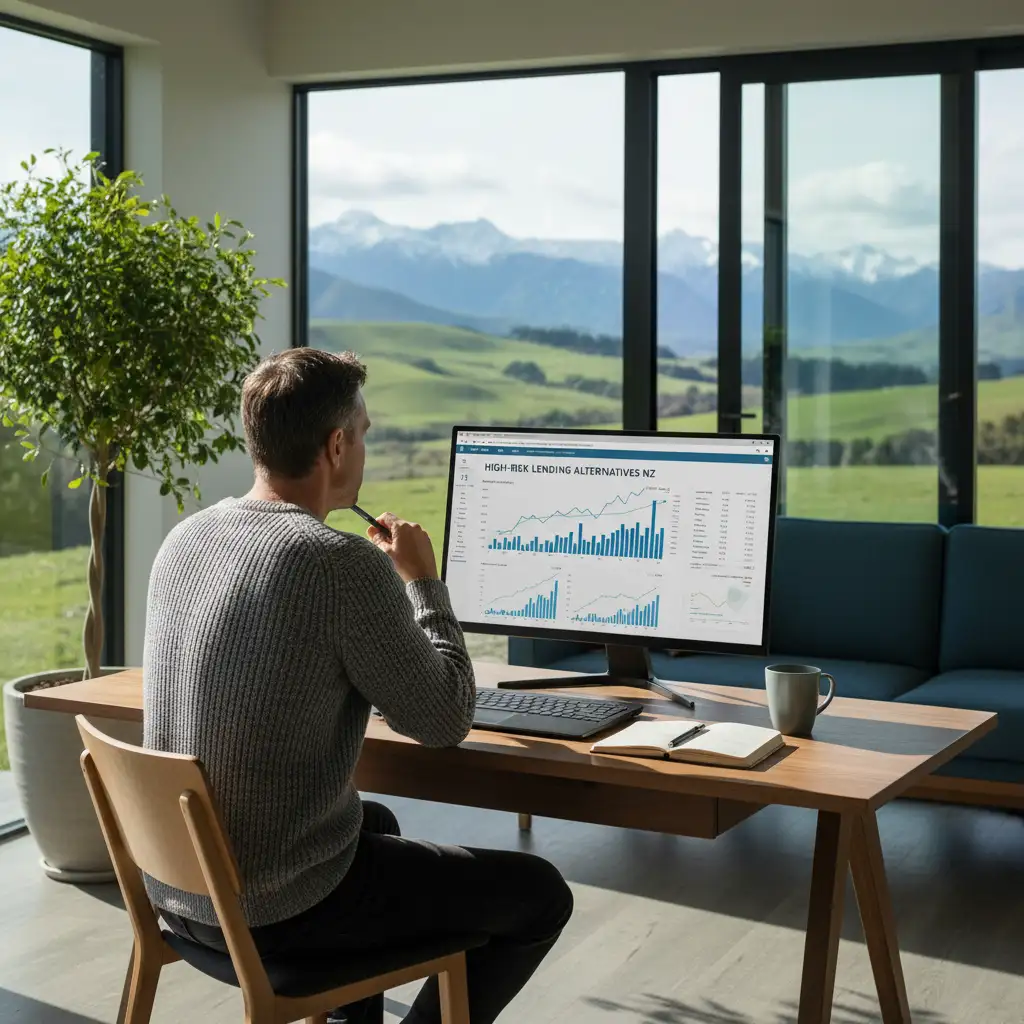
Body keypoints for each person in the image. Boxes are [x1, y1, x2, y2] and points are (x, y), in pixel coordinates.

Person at [143, 347, 574, 1024]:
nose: (366, 446)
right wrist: (423, 583)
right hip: (274, 912)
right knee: (540, 893)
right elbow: (445, 720)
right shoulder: (337, 565)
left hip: (179, 892)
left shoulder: (185, 538)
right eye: (365, 433)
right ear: (337, 445)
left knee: (376, 825)